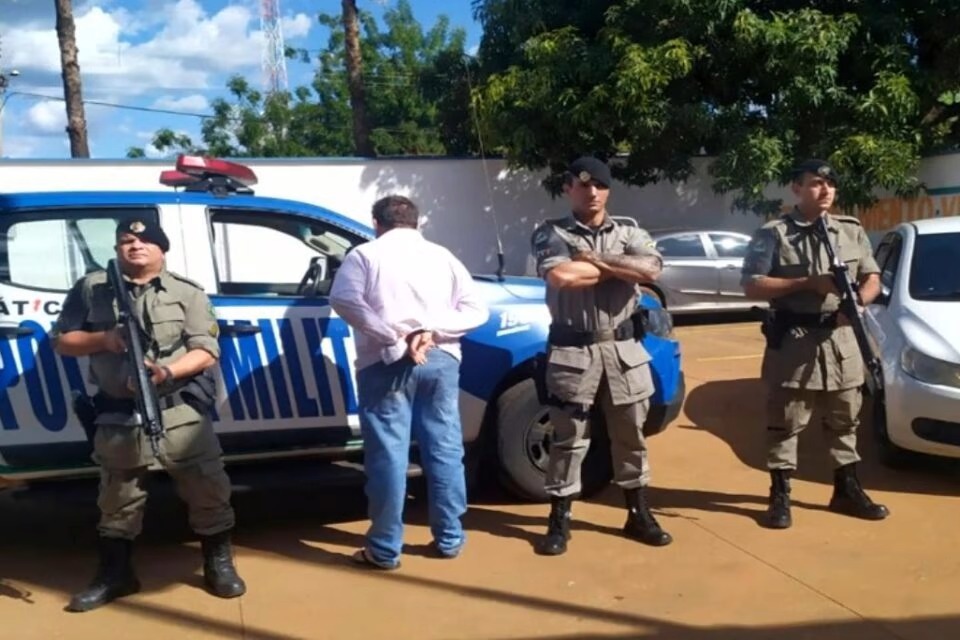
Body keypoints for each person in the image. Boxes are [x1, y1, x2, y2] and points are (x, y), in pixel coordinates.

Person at [51, 219, 246, 612]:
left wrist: (167, 373)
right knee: (117, 499)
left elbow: (206, 350)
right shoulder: (93, 288)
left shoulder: (186, 292)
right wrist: (104, 339)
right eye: (126, 240)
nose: (135, 246)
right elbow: (62, 341)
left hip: (179, 413)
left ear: (162, 249)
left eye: (144, 240)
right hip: (118, 416)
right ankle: (116, 574)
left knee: (207, 490)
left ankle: (218, 564)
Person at [329, 195, 489, 570]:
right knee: (444, 448)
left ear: (376, 222)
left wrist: (393, 336)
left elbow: (344, 299)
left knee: (388, 455)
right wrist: (430, 331)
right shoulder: (443, 256)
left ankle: (385, 549)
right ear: (418, 222)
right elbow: (476, 310)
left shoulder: (364, 255)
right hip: (441, 359)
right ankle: (450, 538)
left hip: (385, 362)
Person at [530, 156, 672, 556]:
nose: (591, 192)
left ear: (608, 190)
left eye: (600, 185)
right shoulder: (551, 232)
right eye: (582, 184)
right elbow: (562, 276)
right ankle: (559, 521)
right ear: (568, 189)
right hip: (573, 351)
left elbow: (651, 270)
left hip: (624, 352)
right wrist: (622, 268)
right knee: (567, 440)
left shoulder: (629, 231)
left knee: (631, 437)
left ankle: (638, 514)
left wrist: (594, 261)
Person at [740, 158, 891, 530]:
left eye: (830, 184)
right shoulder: (774, 234)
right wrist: (807, 283)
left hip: (842, 341)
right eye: (815, 183)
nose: (825, 190)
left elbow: (872, 276)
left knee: (845, 420)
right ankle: (780, 495)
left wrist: (858, 302)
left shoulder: (850, 230)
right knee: (785, 423)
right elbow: (751, 285)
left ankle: (846, 490)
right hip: (795, 343)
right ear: (797, 188)